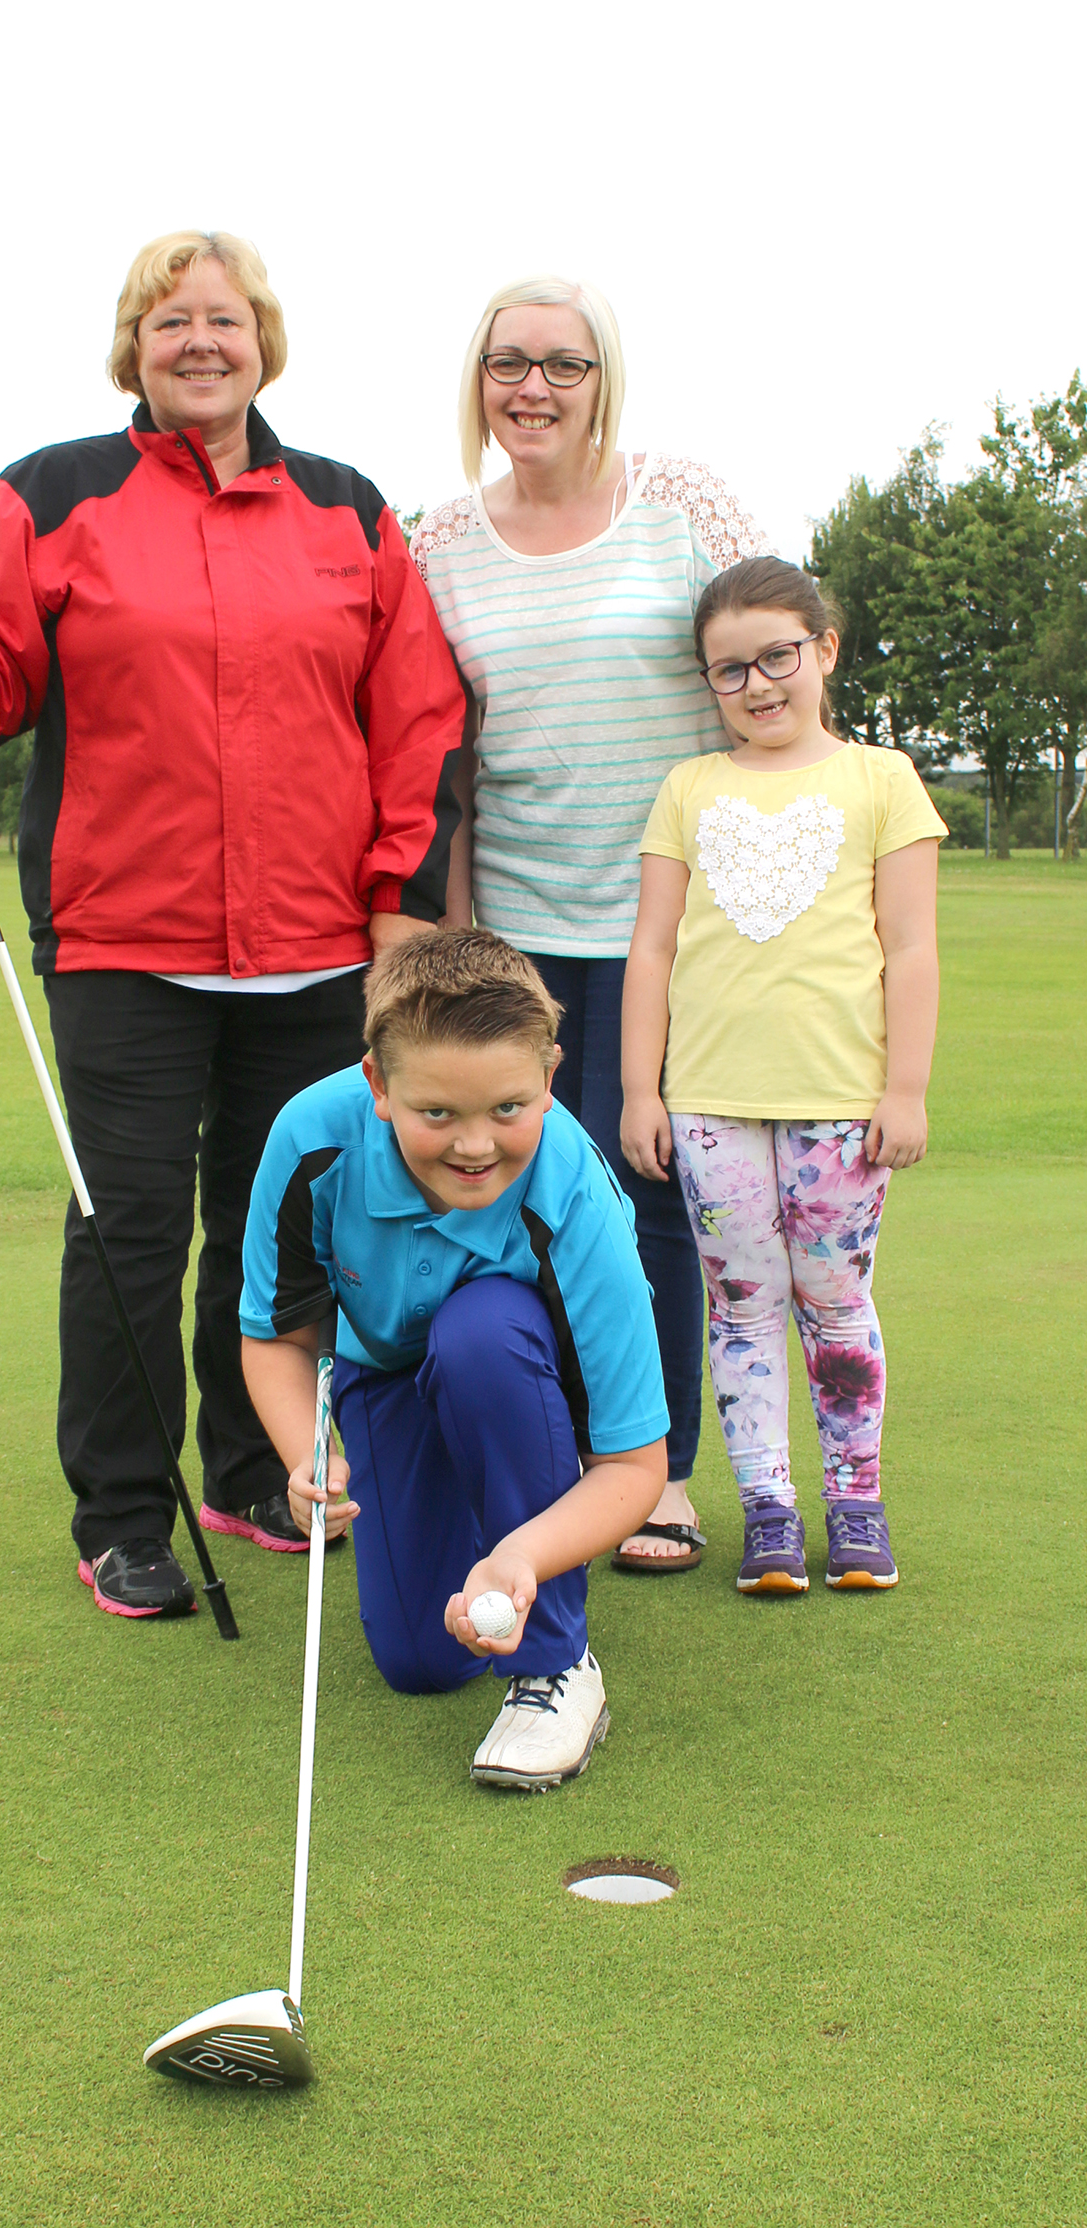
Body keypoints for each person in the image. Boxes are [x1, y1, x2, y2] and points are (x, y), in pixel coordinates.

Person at [0, 231, 464, 1619]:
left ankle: (252, 1471)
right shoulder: (52, 492)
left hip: (316, 951)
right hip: (123, 943)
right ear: (133, 346)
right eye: (171, 321)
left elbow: (417, 715)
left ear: (267, 340)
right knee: (129, 1228)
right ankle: (123, 1514)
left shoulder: (349, 509)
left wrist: (398, 913)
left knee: (280, 1232)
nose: (202, 342)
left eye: (227, 319)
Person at [410, 277, 773, 1576]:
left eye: (563, 364)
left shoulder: (684, 506)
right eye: (510, 362)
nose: (534, 388)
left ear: (601, 377)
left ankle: (656, 1473)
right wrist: (442, 946)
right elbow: (431, 753)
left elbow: (769, 664)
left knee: (648, 1199)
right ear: (480, 380)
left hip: (669, 933)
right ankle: (535, 1460)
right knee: (512, 1200)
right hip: (511, 939)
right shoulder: (435, 539)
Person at [240, 930, 668, 1790]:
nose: (476, 1146)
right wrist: (306, 1453)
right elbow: (274, 1337)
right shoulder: (310, 1140)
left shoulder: (575, 1192)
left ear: (550, 1076)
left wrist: (527, 1557)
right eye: (438, 1113)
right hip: (383, 1368)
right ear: (379, 1087)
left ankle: (557, 1664)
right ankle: (485, 1512)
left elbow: (634, 1465)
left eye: (508, 1108)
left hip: (514, 1372)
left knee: (482, 1332)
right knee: (423, 1661)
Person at [621, 556, 946, 1593]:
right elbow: (654, 949)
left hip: (843, 1106)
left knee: (836, 1303)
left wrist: (905, 1090)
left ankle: (857, 1504)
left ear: (824, 650)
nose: (760, 684)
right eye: (731, 670)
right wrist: (641, 1089)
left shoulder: (881, 778)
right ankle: (768, 1507)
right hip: (711, 1103)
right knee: (744, 1309)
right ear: (708, 683)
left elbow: (913, 945)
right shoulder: (690, 787)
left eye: (778, 657)